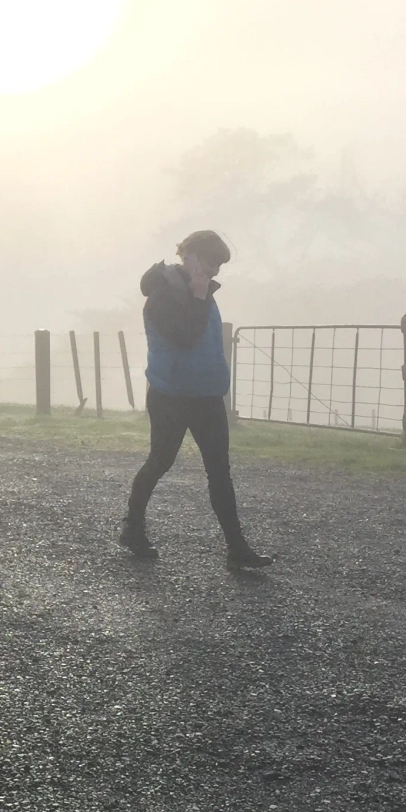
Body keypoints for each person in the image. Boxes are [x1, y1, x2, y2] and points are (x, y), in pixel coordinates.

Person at [119, 229, 274, 567]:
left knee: (220, 471)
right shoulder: (162, 293)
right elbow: (186, 338)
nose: (215, 269)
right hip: (170, 395)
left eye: (218, 264)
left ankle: (237, 549)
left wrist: (201, 293)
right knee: (160, 462)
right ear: (187, 255)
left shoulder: (199, 291)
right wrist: (200, 295)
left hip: (206, 395)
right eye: (209, 261)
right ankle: (132, 529)